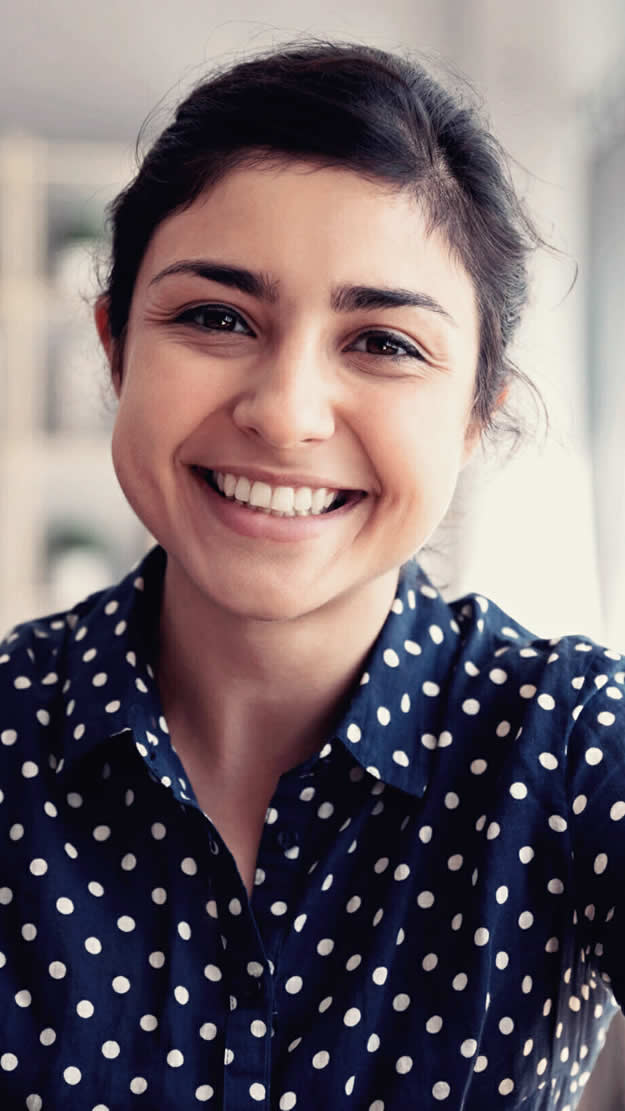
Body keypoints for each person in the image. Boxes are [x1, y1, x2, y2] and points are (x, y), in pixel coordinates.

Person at [0, 38, 622, 1111]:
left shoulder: (571, 742)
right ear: (114, 348)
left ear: (477, 411)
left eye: (381, 342)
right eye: (214, 317)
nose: (285, 413)